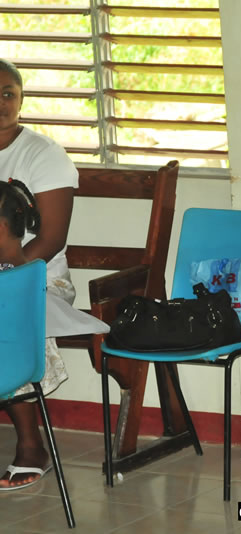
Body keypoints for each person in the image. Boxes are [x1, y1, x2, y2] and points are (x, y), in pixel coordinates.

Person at [0, 59, 78, 490]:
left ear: (21, 100)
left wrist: (4, 279)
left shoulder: (43, 155)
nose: (0, 103)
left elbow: (50, 240)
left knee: (5, 318)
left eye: (8, 93)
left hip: (39, 276)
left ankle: (31, 445)